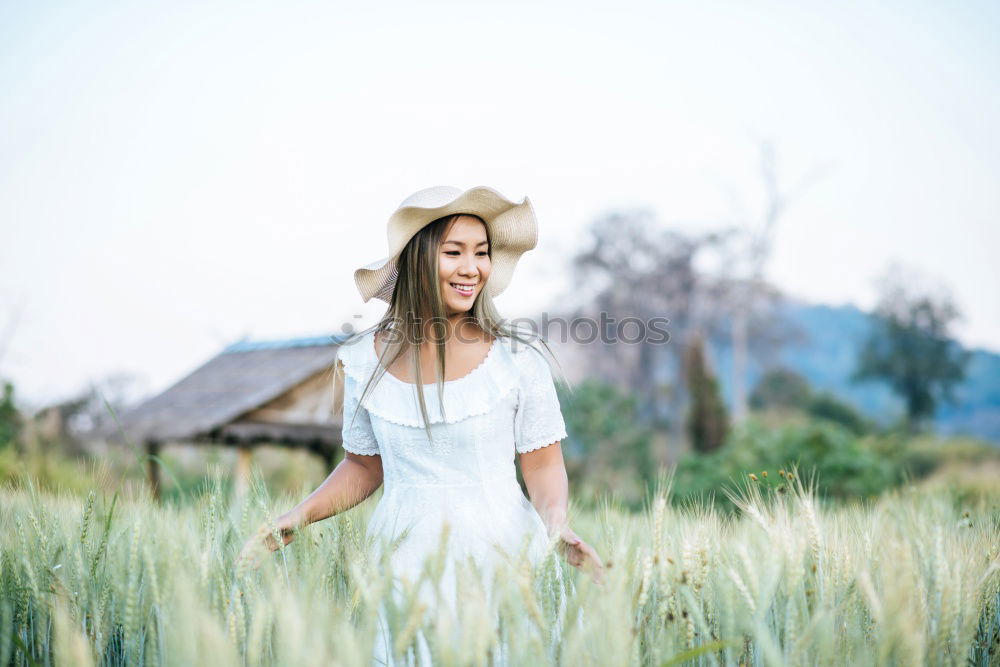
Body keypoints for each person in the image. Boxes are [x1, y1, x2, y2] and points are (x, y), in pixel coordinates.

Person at [238, 185, 605, 665]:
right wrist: (297, 515)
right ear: (417, 260)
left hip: (505, 557)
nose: (472, 267)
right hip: (403, 563)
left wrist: (556, 526)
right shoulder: (363, 361)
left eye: (482, 253)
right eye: (453, 252)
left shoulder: (518, 359)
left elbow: (542, 466)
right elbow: (363, 466)